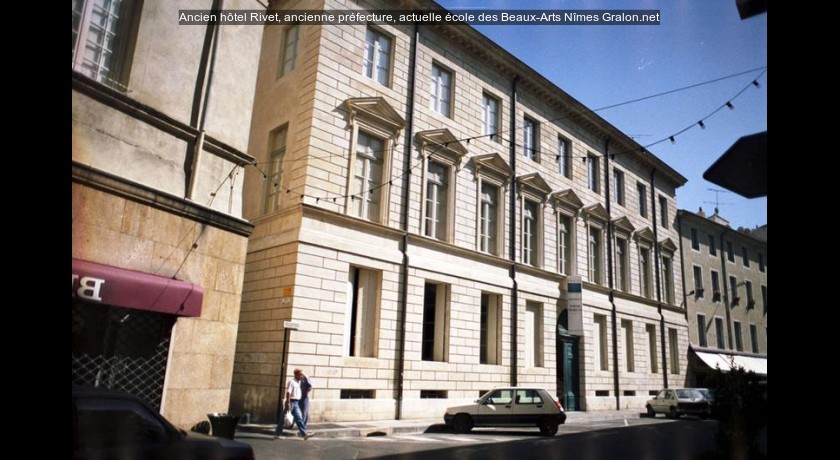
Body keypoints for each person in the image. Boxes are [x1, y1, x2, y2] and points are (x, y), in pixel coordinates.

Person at [275, 369, 314, 440]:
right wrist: (288, 403)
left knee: (299, 419)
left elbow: (309, 385)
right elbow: (288, 393)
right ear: (296, 375)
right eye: (301, 375)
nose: (302, 376)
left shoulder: (298, 383)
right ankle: (277, 434)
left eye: (302, 375)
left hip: (296, 403)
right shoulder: (291, 382)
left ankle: (304, 434)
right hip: (291, 402)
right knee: (283, 419)